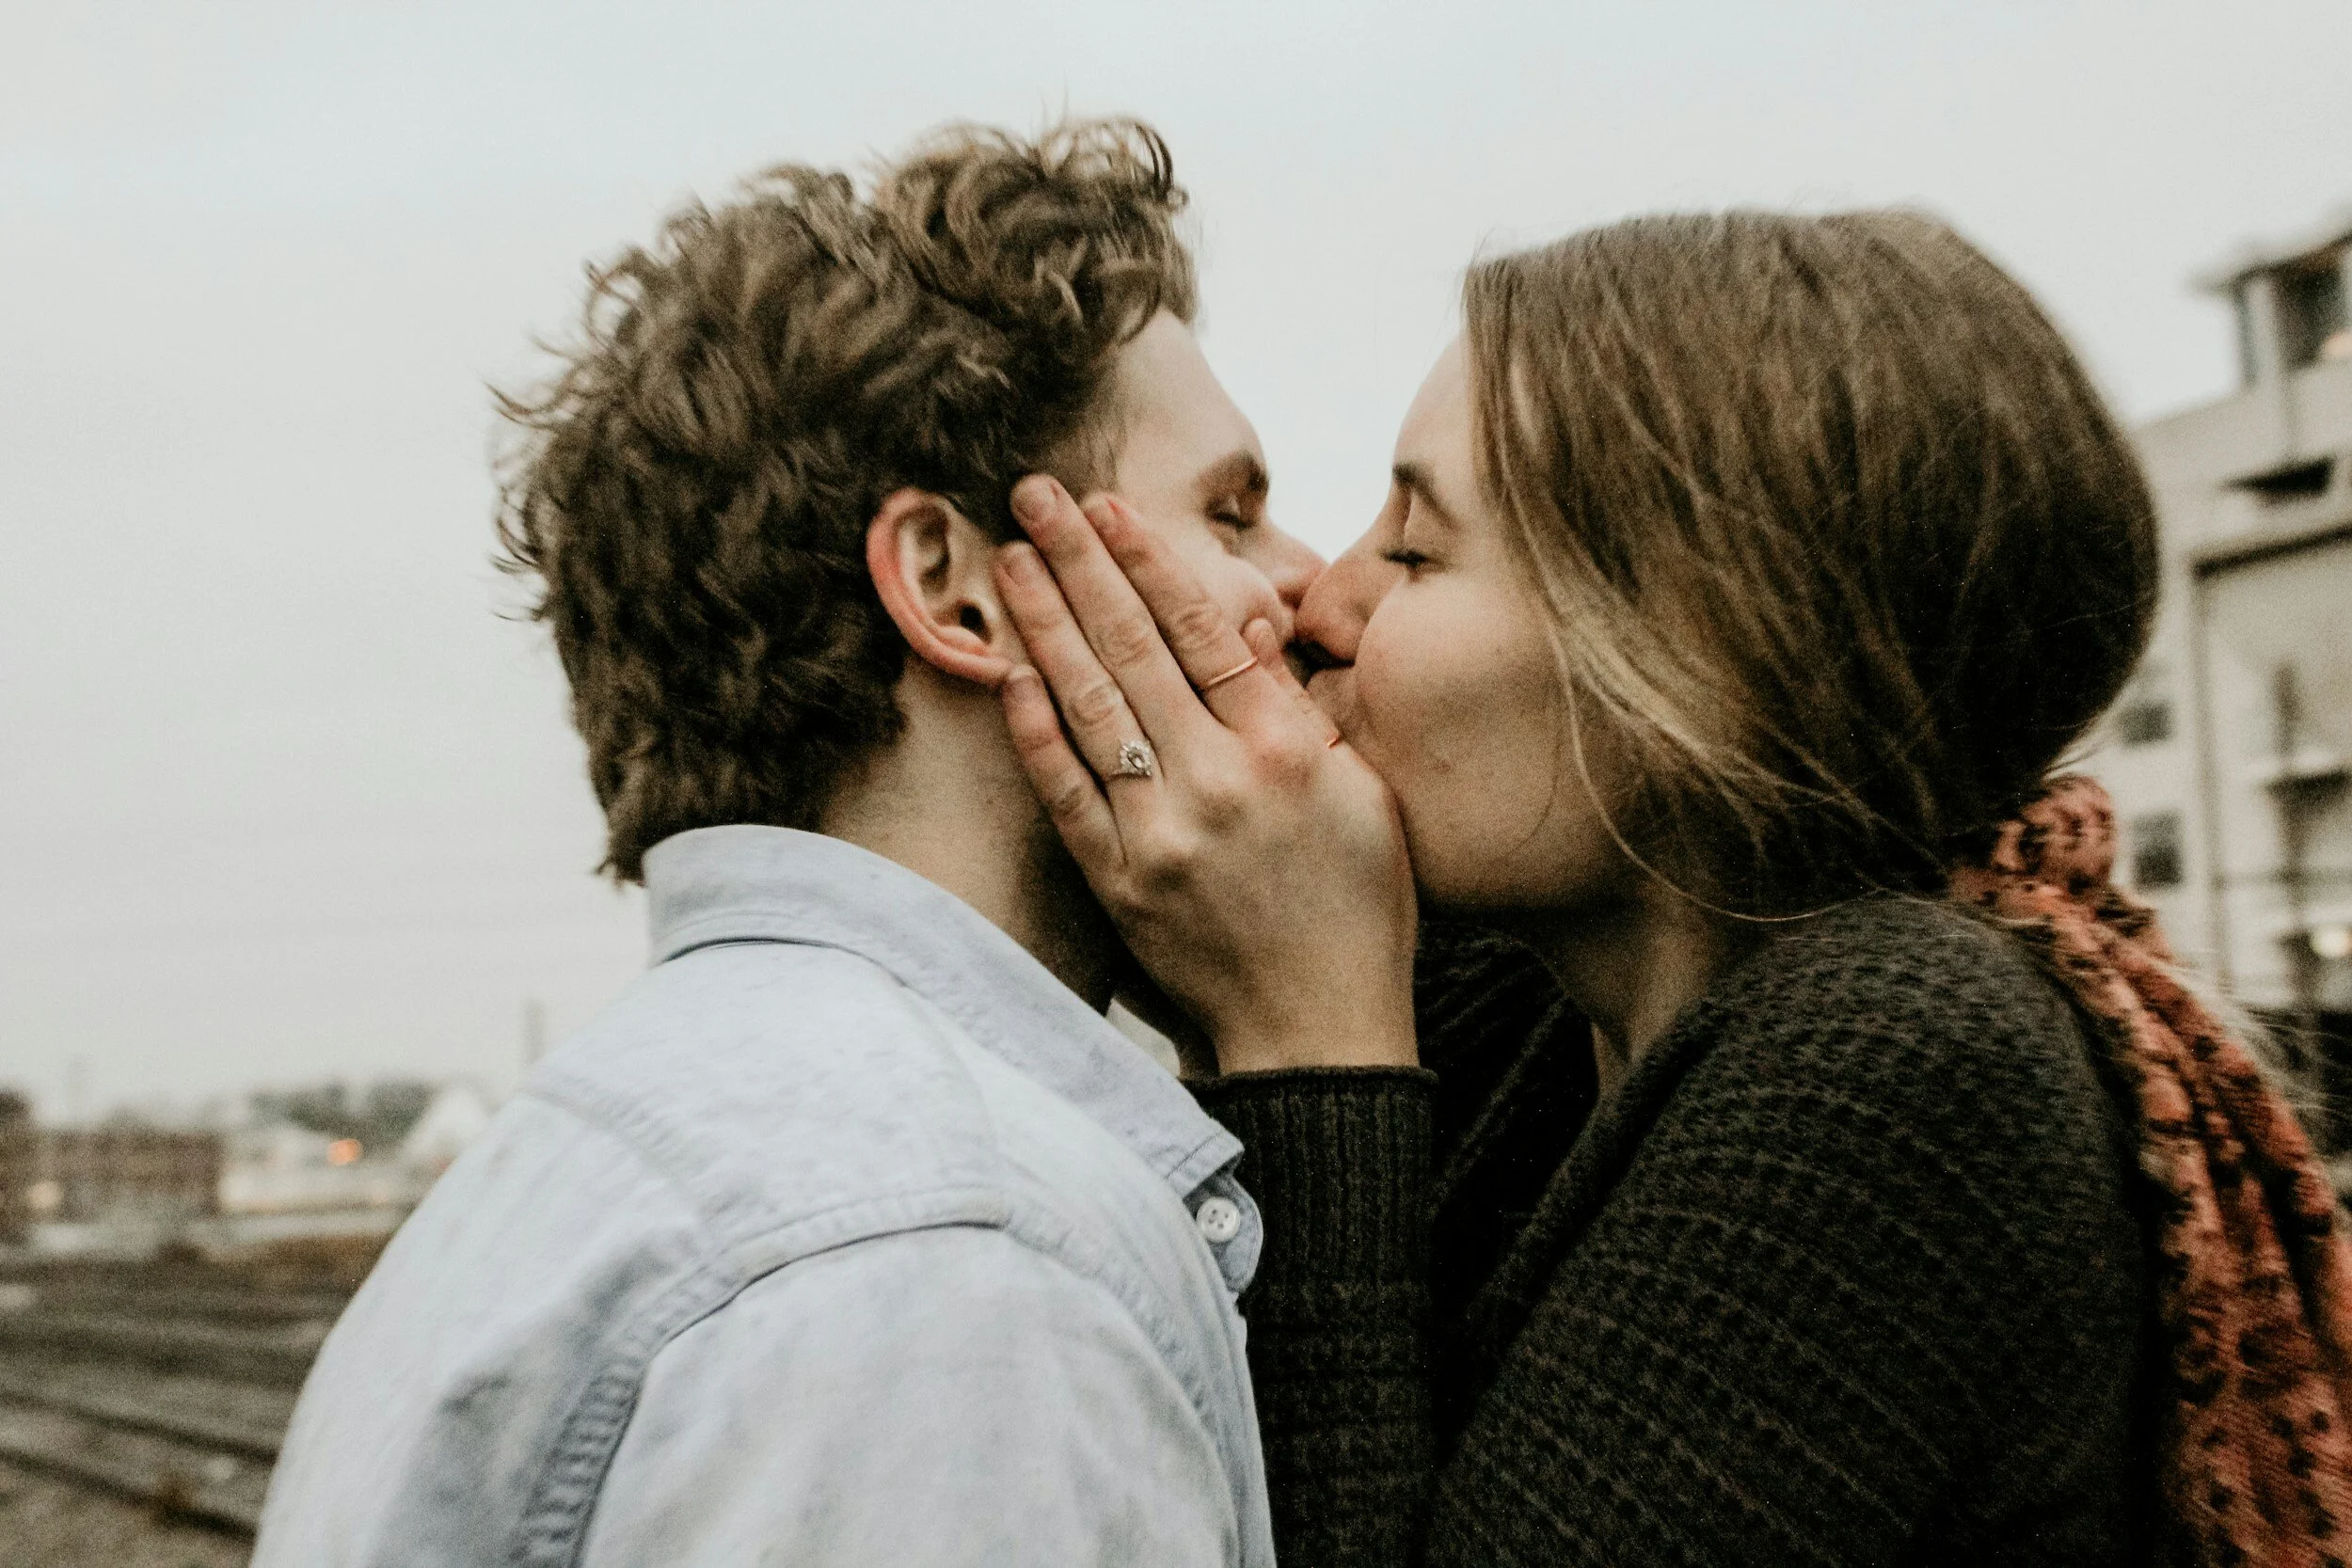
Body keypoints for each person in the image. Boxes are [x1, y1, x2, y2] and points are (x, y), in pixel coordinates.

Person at [992, 210, 2352, 1568]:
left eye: (1414, 552)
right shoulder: (1542, 1017)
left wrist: (1307, 1045)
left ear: (1686, 664)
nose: (1317, 602)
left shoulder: (1903, 1056)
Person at [252, 119, 1322, 1567]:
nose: (1307, 590)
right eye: (1234, 512)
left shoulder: (571, 1157)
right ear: (956, 591)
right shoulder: (954, 1266)